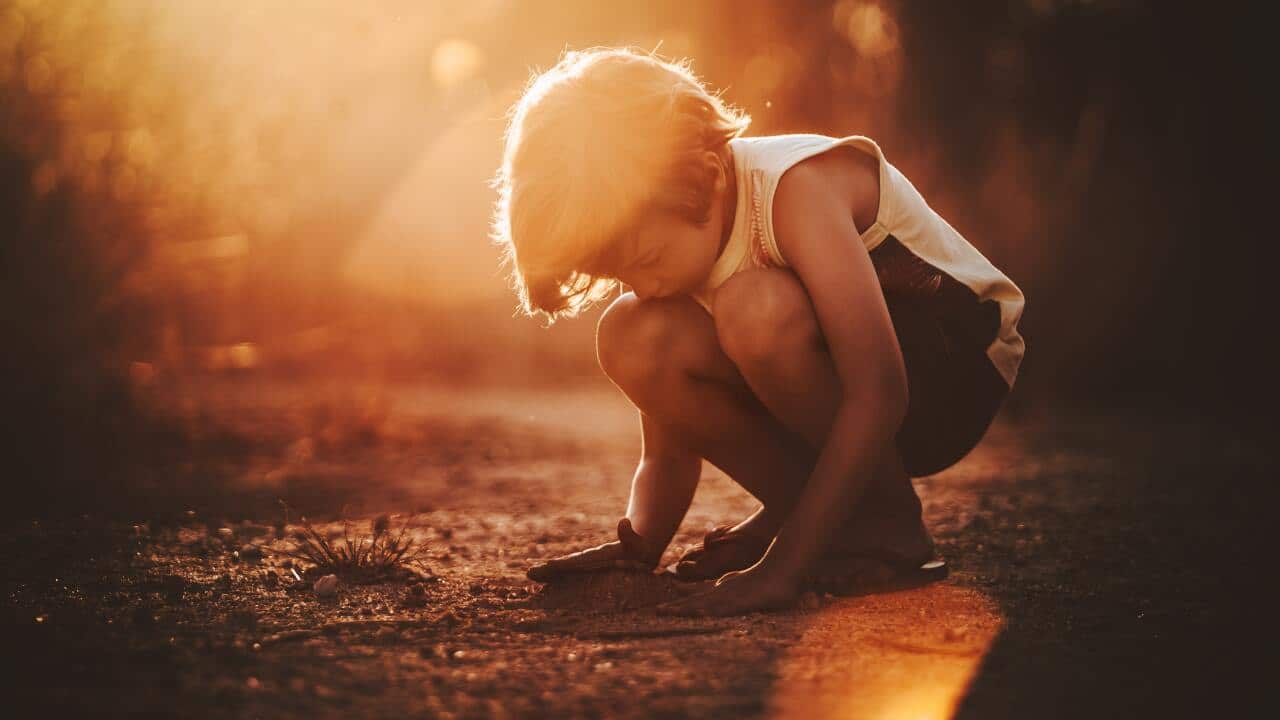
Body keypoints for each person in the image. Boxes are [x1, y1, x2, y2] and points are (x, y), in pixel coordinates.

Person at [489, 47, 1025, 616]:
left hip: (951, 370)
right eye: (617, 272)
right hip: (855, 404)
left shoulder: (796, 191)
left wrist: (782, 568)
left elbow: (880, 391)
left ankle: (891, 533)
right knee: (630, 332)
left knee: (754, 308)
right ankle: (823, 520)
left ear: (710, 176)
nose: (640, 285)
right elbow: (669, 453)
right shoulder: (680, 249)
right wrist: (639, 542)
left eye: (645, 257)